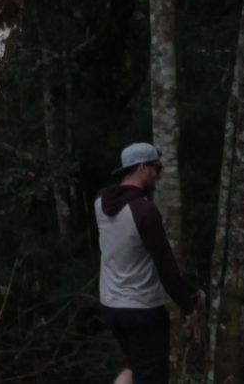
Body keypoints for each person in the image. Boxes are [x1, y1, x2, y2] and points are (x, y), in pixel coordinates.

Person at [95, 142, 196, 384]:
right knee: (151, 377)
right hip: (142, 310)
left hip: (111, 305)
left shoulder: (100, 202)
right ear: (142, 168)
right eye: (157, 168)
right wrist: (188, 307)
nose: (159, 175)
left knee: (136, 367)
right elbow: (166, 265)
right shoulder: (144, 212)